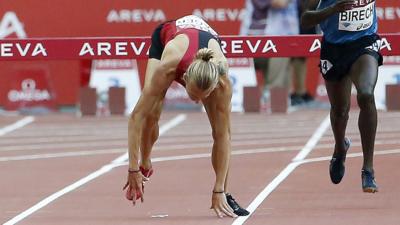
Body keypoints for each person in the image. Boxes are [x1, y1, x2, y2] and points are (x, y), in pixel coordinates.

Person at [122, 15, 249, 217]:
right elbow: (136, 117)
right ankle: (146, 163)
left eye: (203, 96)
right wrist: (133, 169)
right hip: (168, 39)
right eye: (193, 95)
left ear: (214, 86)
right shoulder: (169, 65)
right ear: (184, 79)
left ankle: (225, 193)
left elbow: (223, 137)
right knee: (151, 113)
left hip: (205, 47)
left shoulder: (222, 80)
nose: (197, 101)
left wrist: (218, 189)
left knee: (222, 130)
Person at [301, 0, 382, 193]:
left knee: (366, 95)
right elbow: (305, 19)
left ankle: (368, 169)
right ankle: (340, 147)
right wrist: (333, 9)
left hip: (365, 42)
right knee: (339, 111)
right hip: (334, 49)